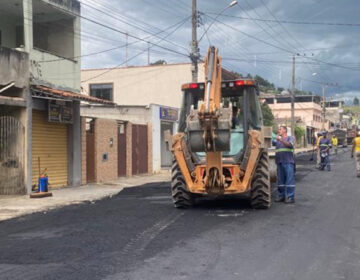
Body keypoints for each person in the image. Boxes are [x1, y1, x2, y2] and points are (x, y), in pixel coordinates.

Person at [272, 126, 296, 203]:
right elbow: (270, 141)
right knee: (280, 181)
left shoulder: (290, 138)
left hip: (288, 162)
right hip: (279, 162)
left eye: (280, 129)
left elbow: (290, 145)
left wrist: (281, 140)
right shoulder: (277, 141)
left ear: (285, 130)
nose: (278, 130)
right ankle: (281, 196)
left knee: (289, 180)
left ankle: (290, 197)